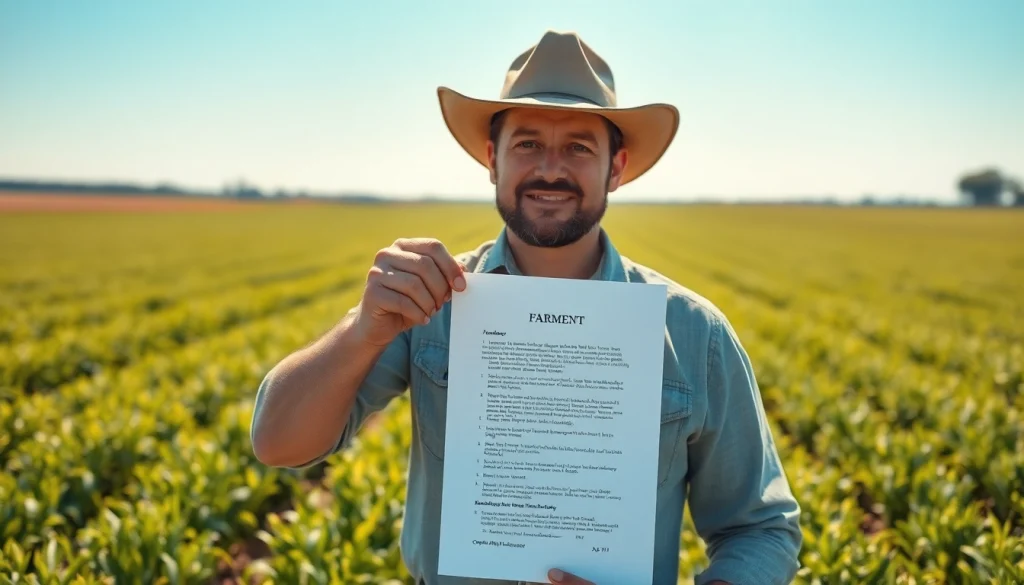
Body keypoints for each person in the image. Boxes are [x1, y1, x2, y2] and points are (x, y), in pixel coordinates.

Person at [250, 29, 802, 585]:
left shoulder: (693, 332)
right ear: (493, 159)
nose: (550, 169)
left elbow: (759, 528)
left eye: (579, 147)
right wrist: (361, 331)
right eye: (528, 144)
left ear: (616, 167)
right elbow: (278, 443)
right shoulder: (432, 301)